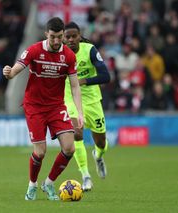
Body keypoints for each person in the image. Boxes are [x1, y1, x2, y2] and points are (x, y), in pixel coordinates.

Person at [2, 17, 84, 201]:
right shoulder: (34, 50)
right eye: (53, 37)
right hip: (35, 106)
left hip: (56, 106)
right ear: (46, 34)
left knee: (69, 148)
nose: (57, 41)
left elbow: (75, 86)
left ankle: (49, 183)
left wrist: (79, 113)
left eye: (60, 37)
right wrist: (9, 73)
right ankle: (32, 185)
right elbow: (16, 70)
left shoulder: (69, 56)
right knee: (40, 152)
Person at [63, 22, 110, 191]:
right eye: (67, 37)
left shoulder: (89, 50)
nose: (70, 40)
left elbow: (106, 76)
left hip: (91, 99)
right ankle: (85, 176)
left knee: (101, 142)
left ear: (79, 35)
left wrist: (84, 81)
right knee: (76, 132)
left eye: (73, 36)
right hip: (69, 97)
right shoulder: (59, 53)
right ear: (63, 38)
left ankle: (98, 156)